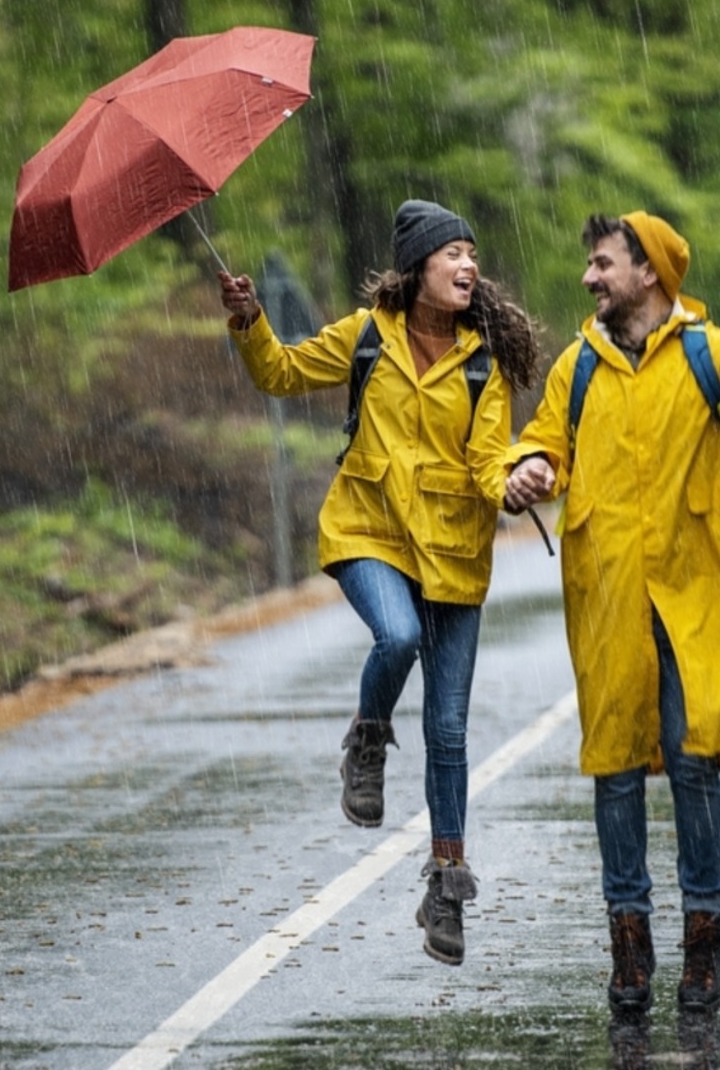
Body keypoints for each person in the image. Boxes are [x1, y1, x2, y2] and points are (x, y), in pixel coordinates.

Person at [502, 212, 720, 1014]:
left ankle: (704, 950)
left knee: (692, 765)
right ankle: (630, 948)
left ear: (650, 274)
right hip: (610, 597)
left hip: (696, 598)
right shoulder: (579, 366)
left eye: (603, 264)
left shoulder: (718, 358)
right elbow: (543, 442)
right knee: (613, 772)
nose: (589, 278)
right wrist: (531, 467)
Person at [217, 200, 540, 966]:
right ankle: (367, 736)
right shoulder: (367, 336)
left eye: (472, 253)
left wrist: (522, 480)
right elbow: (281, 372)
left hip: (454, 556)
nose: (468, 266)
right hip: (371, 529)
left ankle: (446, 880)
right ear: (418, 267)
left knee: (451, 732)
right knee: (394, 636)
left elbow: (488, 459)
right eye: (452, 253)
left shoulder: (484, 362)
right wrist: (250, 321)